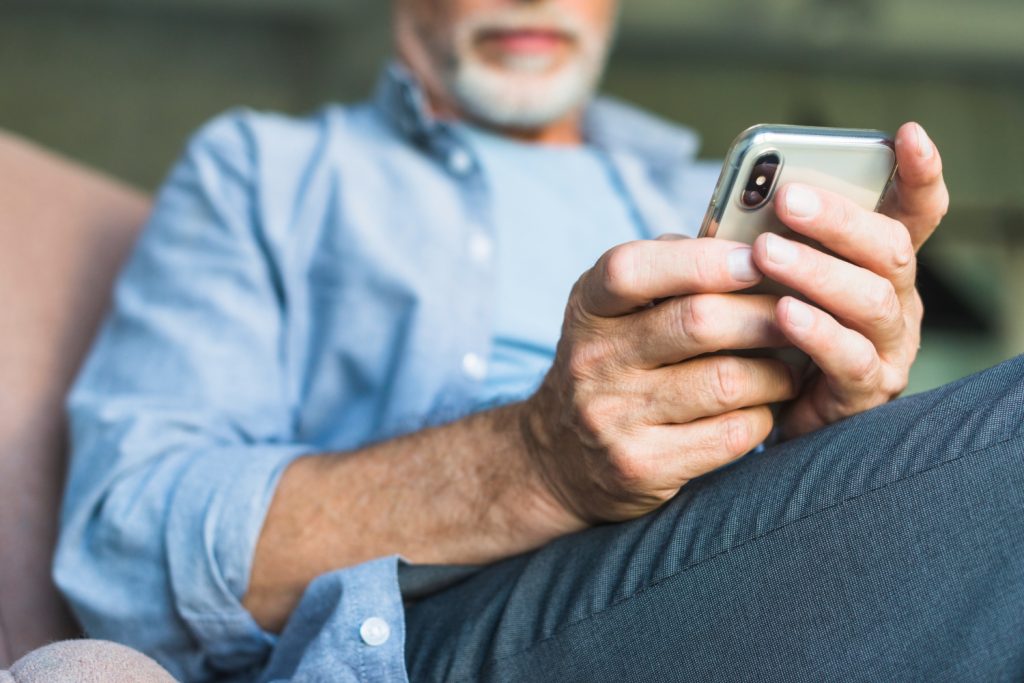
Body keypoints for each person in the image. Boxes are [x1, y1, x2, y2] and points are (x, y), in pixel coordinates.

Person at [54, 0, 1024, 681]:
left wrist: (834, 437)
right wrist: (534, 462)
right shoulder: (264, 170)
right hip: (422, 643)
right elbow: (123, 545)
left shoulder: (693, 193)